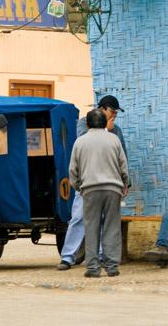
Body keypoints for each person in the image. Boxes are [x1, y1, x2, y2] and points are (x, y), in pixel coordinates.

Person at [57, 94, 126, 271]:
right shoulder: (84, 123)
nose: (114, 116)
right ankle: (68, 256)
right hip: (87, 183)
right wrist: (78, 186)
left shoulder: (116, 131)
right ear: (102, 109)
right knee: (79, 219)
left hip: (108, 185)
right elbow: (86, 144)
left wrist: (126, 183)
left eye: (116, 114)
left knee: (105, 223)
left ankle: (102, 259)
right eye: (112, 112)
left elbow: (123, 158)